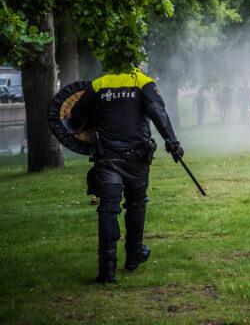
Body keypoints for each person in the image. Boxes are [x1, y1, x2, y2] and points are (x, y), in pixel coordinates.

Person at [69, 56, 184, 283]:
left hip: (107, 157)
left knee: (108, 210)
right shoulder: (143, 81)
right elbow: (158, 113)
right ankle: (133, 255)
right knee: (136, 204)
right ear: (138, 63)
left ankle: (107, 271)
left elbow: (76, 115)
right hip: (136, 159)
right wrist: (173, 142)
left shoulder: (100, 83)